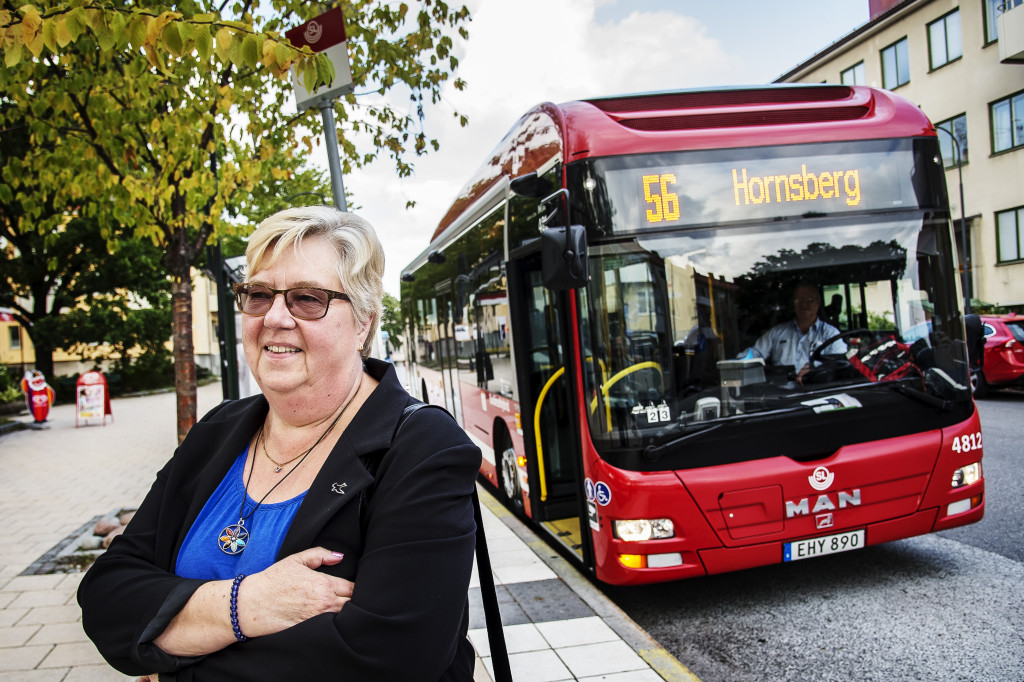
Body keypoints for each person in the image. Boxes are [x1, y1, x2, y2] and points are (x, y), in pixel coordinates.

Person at [77, 207, 482, 681]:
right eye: (258, 294)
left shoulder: (424, 448)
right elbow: (107, 596)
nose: (274, 317)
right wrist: (245, 604)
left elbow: (392, 656)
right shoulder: (216, 432)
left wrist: (170, 659)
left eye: (308, 298)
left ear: (364, 323)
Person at [744, 282, 847, 383]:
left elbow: (840, 362)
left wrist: (816, 367)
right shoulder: (777, 332)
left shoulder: (830, 333)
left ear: (818, 302)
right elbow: (756, 352)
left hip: (817, 393)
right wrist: (739, 362)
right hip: (781, 395)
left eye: (809, 300)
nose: (804, 304)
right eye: (799, 300)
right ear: (793, 303)